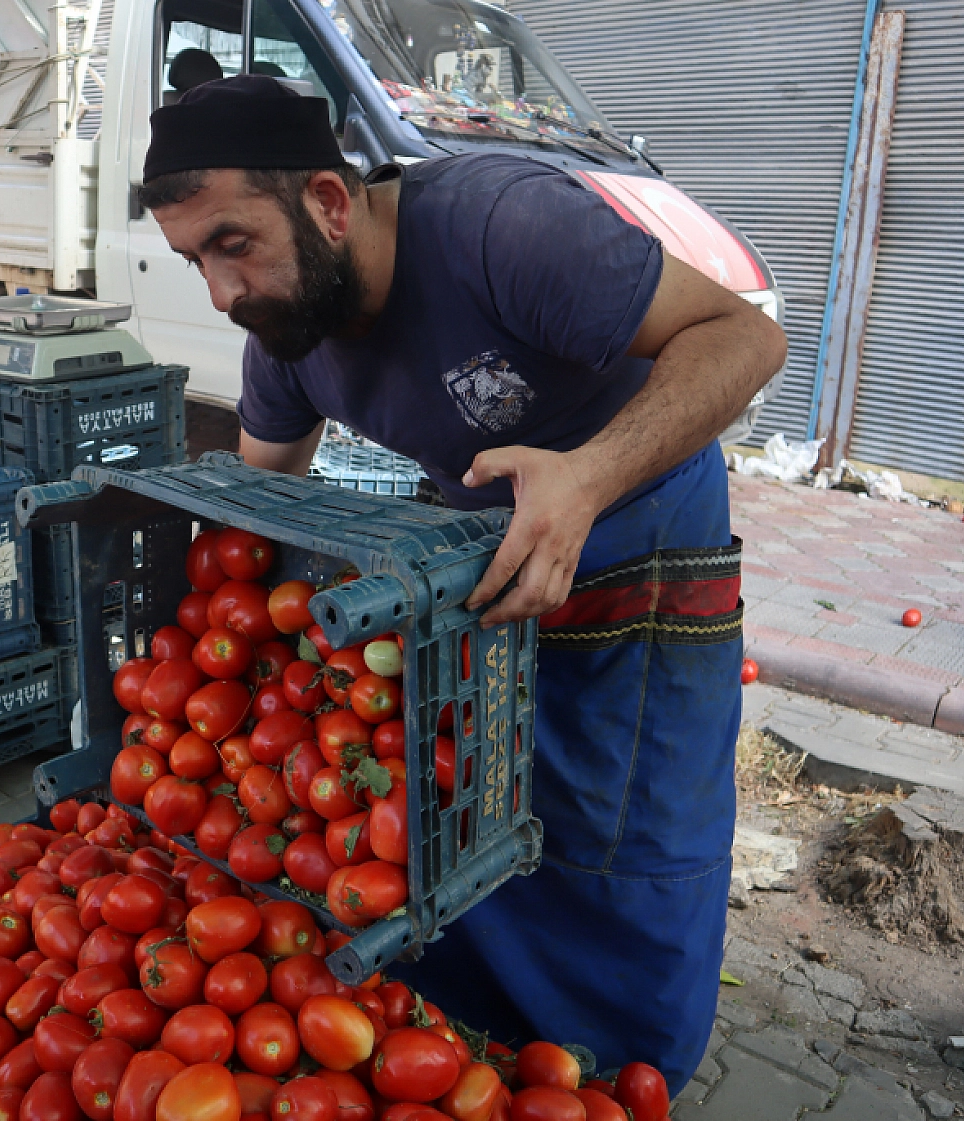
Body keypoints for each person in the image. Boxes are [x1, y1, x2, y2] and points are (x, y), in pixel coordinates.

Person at [138, 76, 787, 1094]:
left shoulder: (502, 227)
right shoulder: (289, 328)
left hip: (639, 560)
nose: (224, 294)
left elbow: (745, 339)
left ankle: (624, 1077)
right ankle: (488, 1060)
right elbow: (259, 504)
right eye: (195, 264)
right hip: (483, 586)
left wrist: (585, 477)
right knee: (478, 829)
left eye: (233, 244)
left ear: (325, 200)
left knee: (626, 837)